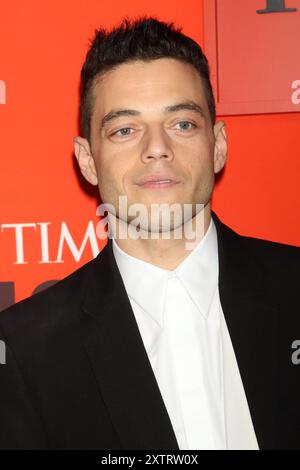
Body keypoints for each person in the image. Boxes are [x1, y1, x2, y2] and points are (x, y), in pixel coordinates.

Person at [0, 15, 299, 451]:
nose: (156, 147)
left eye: (182, 124)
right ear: (86, 159)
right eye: (125, 129)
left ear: (218, 145)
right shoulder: (23, 350)